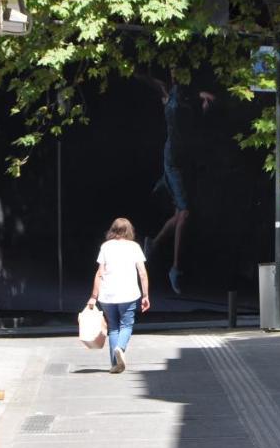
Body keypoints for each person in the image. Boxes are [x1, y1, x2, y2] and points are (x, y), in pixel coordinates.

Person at [143, 69, 215, 295]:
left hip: (187, 160)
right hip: (173, 160)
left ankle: (153, 244)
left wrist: (204, 105)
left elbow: (208, 103)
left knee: (180, 214)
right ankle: (175, 268)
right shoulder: (168, 95)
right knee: (184, 213)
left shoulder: (191, 99)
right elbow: (152, 81)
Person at [88, 217, 150, 373]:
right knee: (127, 325)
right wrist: (145, 295)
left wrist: (93, 297)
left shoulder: (106, 247)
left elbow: (99, 273)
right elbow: (142, 273)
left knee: (113, 328)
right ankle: (120, 348)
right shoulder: (134, 247)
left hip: (107, 295)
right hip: (128, 294)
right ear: (129, 231)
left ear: (113, 230)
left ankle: (115, 364)